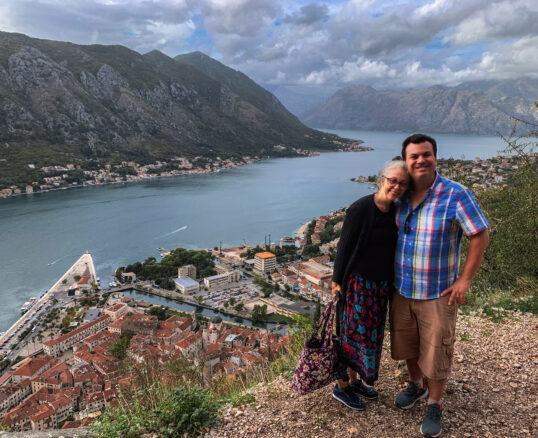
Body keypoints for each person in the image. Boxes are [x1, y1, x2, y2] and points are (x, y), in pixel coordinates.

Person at [390, 134, 489, 437]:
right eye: (414, 156)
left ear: (435, 157)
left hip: (438, 292)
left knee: (436, 351)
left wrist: (465, 279)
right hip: (402, 289)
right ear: (405, 161)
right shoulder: (400, 194)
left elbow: (480, 234)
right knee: (407, 345)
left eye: (426, 154)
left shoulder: (455, 194)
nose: (421, 160)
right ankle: (416, 385)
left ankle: (435, 403)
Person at [331, 159, 410, 410]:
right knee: (349, 336)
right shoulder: (361, 208)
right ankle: (341, 387)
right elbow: (344, 247)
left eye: (402, 183)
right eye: (392, 180)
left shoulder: (397, 211)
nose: (396, 186)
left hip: (380, 288)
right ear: (382, 179)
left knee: (367, 339)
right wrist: (336, 281)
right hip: (356, 285)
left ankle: (354, 382)